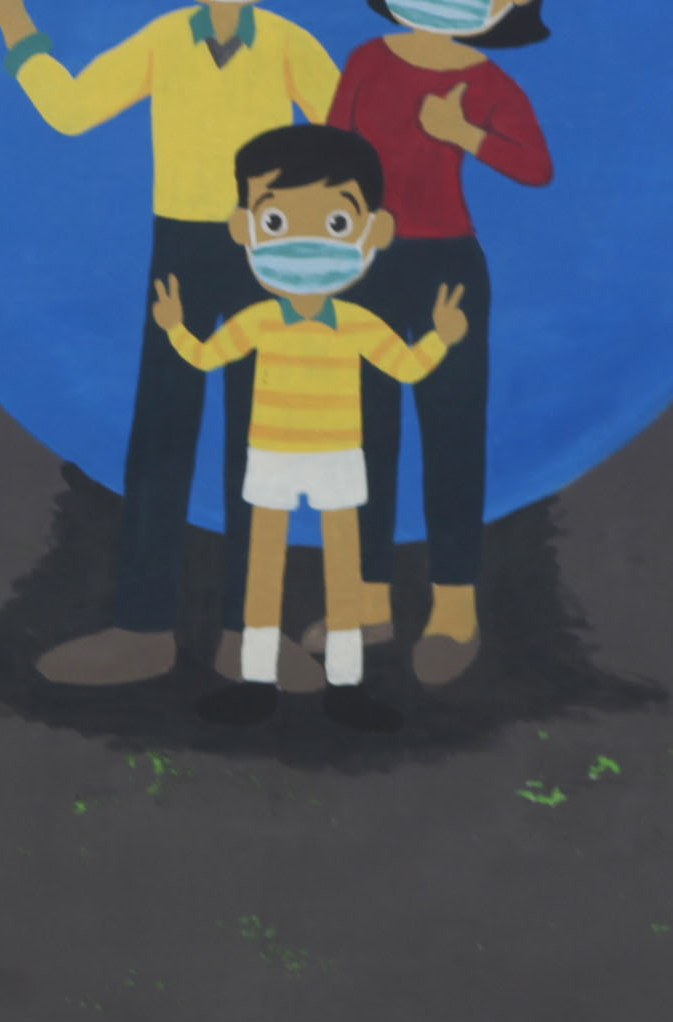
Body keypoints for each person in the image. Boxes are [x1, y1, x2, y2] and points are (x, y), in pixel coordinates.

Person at [0, 0, 340, 688]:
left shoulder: (292, 46)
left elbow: (352, 150)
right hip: (180, 256)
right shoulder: (162, 44)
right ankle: (144, 626)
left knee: (264, 446)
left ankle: (255, 635)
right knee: (162, 437)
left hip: (276, 264)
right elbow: (68, 108)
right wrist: (15, 20)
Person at [324, 0, 567, 686]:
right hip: (365, 269)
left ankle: (455, 605)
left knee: (451, 436)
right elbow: (333, 161)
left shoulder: (488, 81)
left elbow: (535, 164)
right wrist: (351, 237)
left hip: (449, 271)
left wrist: (465, 134)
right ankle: (365, 594)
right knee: (366, 436)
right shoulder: (364, 62)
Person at [148, 123, 467, 731]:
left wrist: (440, 339)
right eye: (276, 224)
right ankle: (256, 681)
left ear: (374, 232)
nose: (302, 243)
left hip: (337, 455)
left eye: (335, 225)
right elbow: (207, 357)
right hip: (270, 452)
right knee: (261, 568)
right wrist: (174, 328)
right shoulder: (259, 319)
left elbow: (403, 367)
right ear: (245, 229)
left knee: (344, 572)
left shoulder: (355, 322)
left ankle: (346, 686)